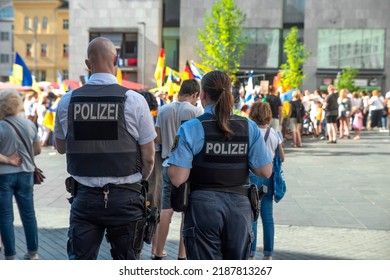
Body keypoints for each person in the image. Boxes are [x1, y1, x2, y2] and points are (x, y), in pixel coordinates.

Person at [54, 37, 156, 260]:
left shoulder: (67, 101)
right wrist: (135, 180)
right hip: (127, 199)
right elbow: (149, 158)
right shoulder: (134, 100)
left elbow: (60, 148)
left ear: (88, 64)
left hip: (85, 199)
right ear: (116, 60)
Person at [167, 70, 273, 260]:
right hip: (240, 207)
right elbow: (265, 170)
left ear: (203, 95)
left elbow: (177, 178)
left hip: (203, 206)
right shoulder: (249, 127)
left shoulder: (191, 128)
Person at [153, 79, 203, 260]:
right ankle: (182, 255)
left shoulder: (164, 109)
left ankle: (158, 251)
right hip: (188, 167)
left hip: (168, 163)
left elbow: (157, 138)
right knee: (186, 211)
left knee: (166, 209)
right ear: (195, 94)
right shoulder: (196, 111)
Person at [0, 88, 42, 260]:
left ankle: (10, 255)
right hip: (26, 174)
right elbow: (38, 150)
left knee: (5, 216)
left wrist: (8, 159)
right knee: (29, 214)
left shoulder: (1, 126)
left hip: (4, 176)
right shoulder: (29, 124)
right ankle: (33, 253)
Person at [248, 101, 284, 260]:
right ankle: (268, 254)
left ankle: (251, 252)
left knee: (252, 215)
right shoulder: (274, 133)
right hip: (268, 177)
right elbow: (282, 157)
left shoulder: (250, 131)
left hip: (252, 175)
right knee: (267, 217)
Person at [137, 91, 162, 258]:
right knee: (154, 206)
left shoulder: (134, 116)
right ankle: (155, 248)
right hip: (154, 166)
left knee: (138, 208)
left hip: (137, 167)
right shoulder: (154, 120)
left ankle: (137, 246)